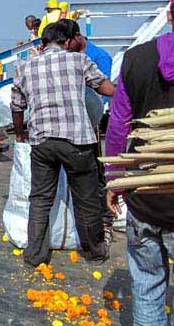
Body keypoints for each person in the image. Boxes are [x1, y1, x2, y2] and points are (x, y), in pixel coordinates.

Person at [105, 0, 174, 326]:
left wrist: (115, 178)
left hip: (144, 196)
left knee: (146, 287)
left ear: (171, 16)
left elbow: (119, 125)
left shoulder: (136, 57)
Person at [10, 22, 116, 267]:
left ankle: (35, 254)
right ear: (67, 42)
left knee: (40, 199)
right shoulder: (78, 61)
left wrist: (19, 134)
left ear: (43, 42)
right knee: (86, 198)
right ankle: (95, 251)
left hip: (42, 141)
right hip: (77, 141)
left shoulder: (24, 66)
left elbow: (17, 106)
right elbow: (106, 88)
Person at [58, 18, 115, 246]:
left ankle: (101, 221)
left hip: (88, 123)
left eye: (66, 42)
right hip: (65, 126)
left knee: (94, 174)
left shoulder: (98, 56)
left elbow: (103, 88)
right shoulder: (63, 56)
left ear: (77, 38)